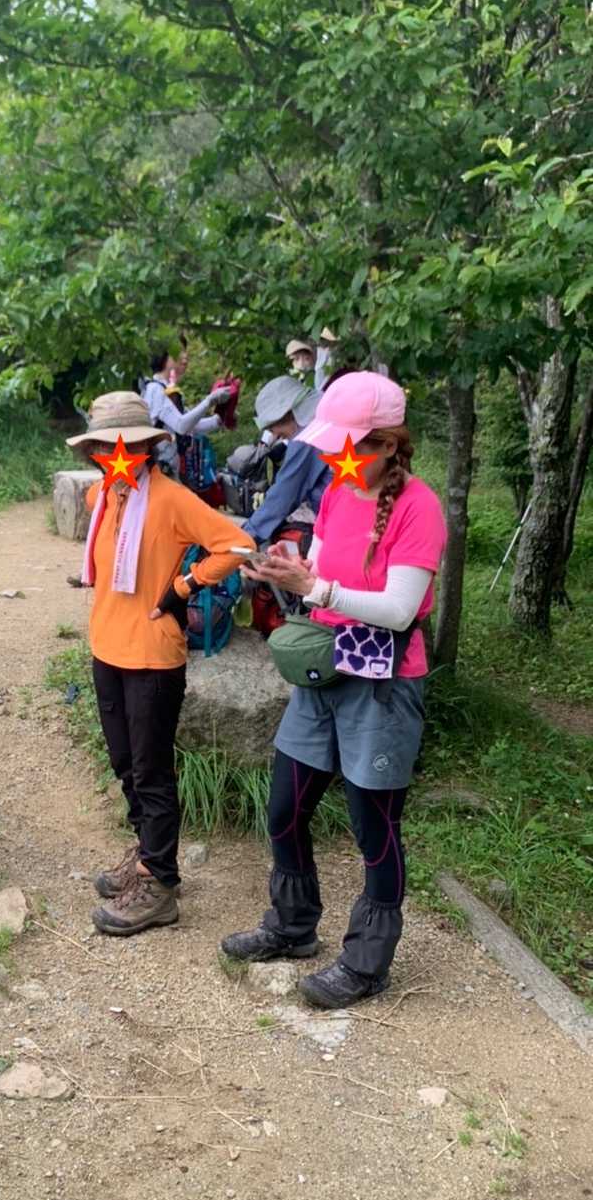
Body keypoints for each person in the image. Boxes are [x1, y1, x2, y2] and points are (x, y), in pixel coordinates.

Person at [219, 373, 446, 1008]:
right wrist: (287, 572)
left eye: (349, 446)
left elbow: (399, 610)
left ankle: (368, 964)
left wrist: (315, 588)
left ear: (388, 444)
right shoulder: (340, 493)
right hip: (324, 669)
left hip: (384, 683)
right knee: (285, 809)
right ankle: (292, 926)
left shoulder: (418, 507)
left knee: (374, 826)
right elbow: (319, 571)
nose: (333, 457)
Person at [66, 392, 257, 937]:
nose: (113, 455)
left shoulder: (172, 499)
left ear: (145, 448)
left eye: (124, 446)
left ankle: (161, 884)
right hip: (106, 647)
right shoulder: (104, 496)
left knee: (151, 771)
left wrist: (182, 587)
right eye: (104, 447)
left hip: (152, 654)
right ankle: (148, 851)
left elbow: (236, 545)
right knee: (125, 763)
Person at [239, 377, 329, 548]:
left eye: (272, 427)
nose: (275, 435)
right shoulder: (323, 420)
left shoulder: (306, 437)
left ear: (286, 414)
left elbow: (284, 495)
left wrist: (242, 538)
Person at [142, 349, 231, 475]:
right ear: (165, 358)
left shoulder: (165, 388)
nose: (185, 358)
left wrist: (219, 420)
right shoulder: (155, 390)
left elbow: (191, 426)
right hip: (158, 470)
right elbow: (181, 426)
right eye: (178, 352)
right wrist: (209, 400)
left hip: (169, 469)